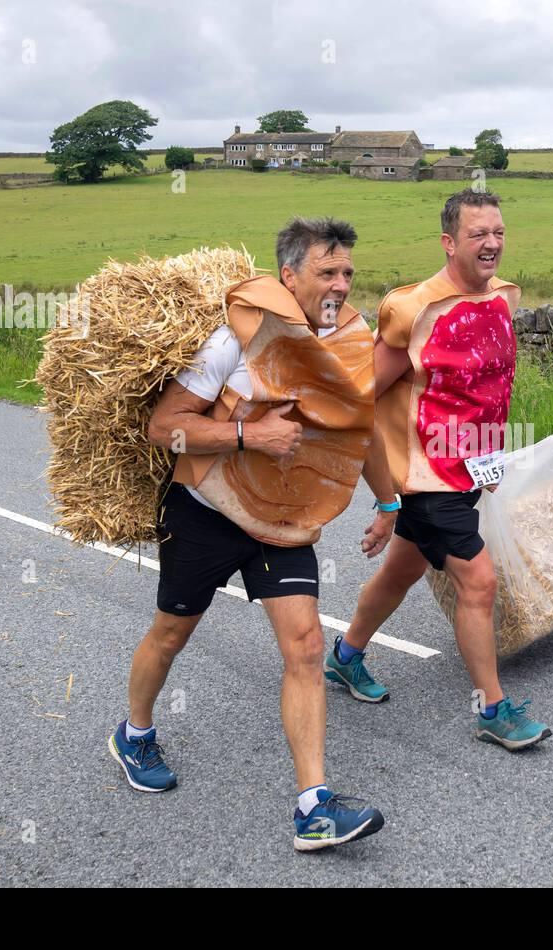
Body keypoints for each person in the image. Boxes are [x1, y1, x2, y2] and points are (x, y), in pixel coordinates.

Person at [110, 217, 394, 851]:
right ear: (288, 275)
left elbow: (358, 428)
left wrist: (388, 498)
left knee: (306, 648)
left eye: (348, 272)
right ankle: (134, 733)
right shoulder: (235, 339)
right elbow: (166, 428)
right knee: (171, 632)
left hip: (283, 523)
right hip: (206, 511)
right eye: (327, 271)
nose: (341, 285)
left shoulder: (348, 343)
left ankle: (314, 807)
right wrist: (248, 434)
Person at [326, 189, 552, 751]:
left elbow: (487, 388)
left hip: (469, 466)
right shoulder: (414, 309)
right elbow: (362, 395)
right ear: (450, 242)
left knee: (400, 571)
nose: (492, 244)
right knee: (479, 581)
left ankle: (344, 657)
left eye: (498, 232)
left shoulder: (501, 297)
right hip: (426, 476)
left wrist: (489, 454)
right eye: (479, 234)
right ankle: (492, 709)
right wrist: (384, 492)